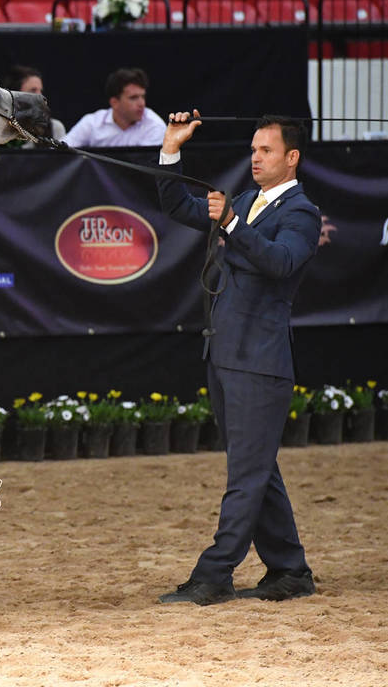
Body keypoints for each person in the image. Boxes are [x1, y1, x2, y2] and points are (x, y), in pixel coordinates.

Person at [155, 111, 321, 606]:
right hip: (228, 353)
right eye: (253, 150)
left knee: (247, 475)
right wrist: (171, 150)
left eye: (266, 150)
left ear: (292, 158)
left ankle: (214, 574)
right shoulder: (247, 200)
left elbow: (280, 261)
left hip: (260, 360)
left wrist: (231, 222)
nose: (255, 158)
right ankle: (290, 569)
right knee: (257, 470)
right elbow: (177, 206)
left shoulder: (302, 212)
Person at [63, 67, 165, 147]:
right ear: (114, 102)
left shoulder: (155, 126)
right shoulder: (91, 123)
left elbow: (146, 166)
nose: (142, 103)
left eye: (143, 96)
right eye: (133, 98)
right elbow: (60, 153)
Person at [5, 65, 66, 141]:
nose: (40, 96)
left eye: (41, 91)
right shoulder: (0, 128)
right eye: (33, 90)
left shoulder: (55, 128)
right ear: (15, 93)